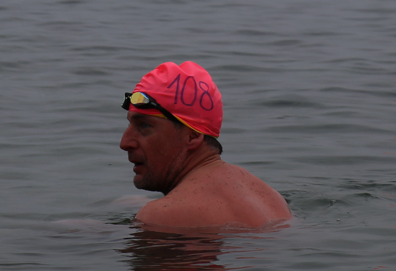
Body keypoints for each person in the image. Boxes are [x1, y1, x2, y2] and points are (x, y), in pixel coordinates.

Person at [119, 62, 292, 231]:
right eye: (130, 124)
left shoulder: (159, 217)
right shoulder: (272, 199)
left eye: (144, 126)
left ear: (192, 136)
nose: (125, 143)